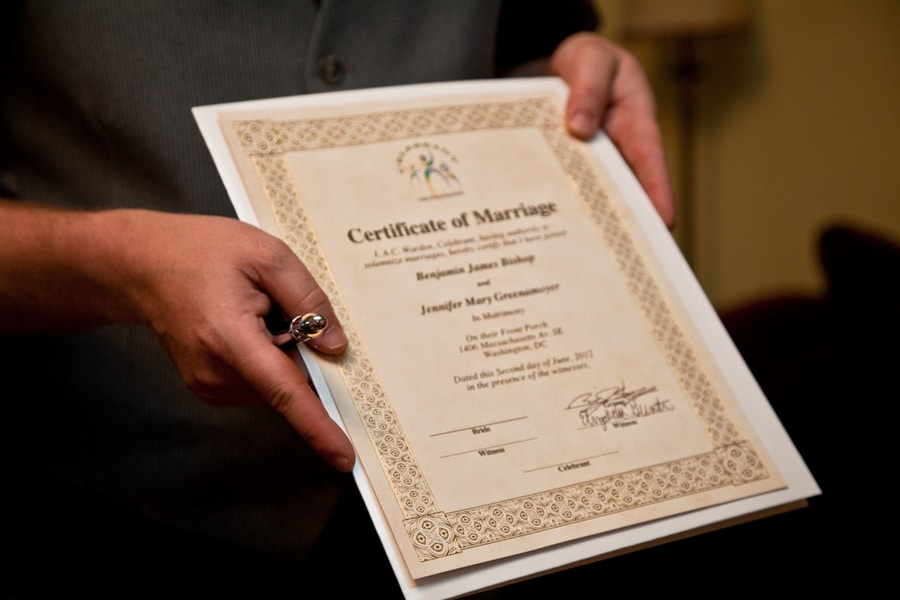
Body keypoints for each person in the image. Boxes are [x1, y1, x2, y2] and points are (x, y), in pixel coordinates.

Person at [0, 1, 674, 596]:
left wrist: (566, 80)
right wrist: (119, 265)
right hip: (125, 509)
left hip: (486, 493)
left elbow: (529, 49)